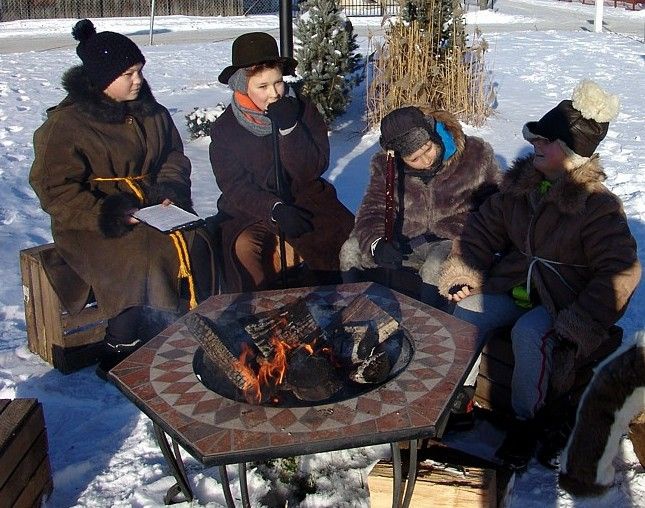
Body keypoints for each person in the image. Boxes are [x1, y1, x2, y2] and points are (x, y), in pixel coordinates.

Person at [438, 80, 642, 470]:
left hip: (563, 297)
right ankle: (456, 399)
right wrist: (465, 270)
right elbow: (484, 228)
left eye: (545, 142)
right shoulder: (521, 188)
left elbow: (621, 270)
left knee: (529, 333)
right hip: (516, 284)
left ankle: (525, 421)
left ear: (570, 155)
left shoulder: (598, 206)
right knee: (465, 312)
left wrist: (583, 321)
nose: (535, 146)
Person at [29, 20, 213, 377]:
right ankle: (120, 343)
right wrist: (110, 212)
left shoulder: (152, 112)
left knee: (197, 237)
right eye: (128, 73)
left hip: (152, 206)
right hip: (91, 223)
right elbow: (55, 190)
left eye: (140, 71)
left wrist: (169, 194)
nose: (138, 80)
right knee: (140, 251)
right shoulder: (66, 125)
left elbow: (173, 157)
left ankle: (177, 327)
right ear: (102, 78)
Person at [209, 32, 354, 293]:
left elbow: (313, 168)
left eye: (278, 83)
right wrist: (274, 208)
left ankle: (326, 306)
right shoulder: (226, 128)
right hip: (250, 210)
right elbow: (234, 186)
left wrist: (290, 129)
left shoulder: (302, 109)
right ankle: (260, 314)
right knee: (244, 248)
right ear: (243, 85)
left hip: (305, 198)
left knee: (334, 243)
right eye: (262, 87)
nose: (274, 93)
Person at [339, 106, 501, 308]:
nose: (426, 161)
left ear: (433, 133)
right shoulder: (386, 167)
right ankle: (358, 315)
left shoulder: (476, 155)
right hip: (406, 238)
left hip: (453, 239)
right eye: (414, 159)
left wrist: (468, 238)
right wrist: (377, 243)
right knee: (350, 250)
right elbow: (372, 210)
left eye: (428, 149)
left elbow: (496, 209)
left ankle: (431, 329)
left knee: (435, 266)